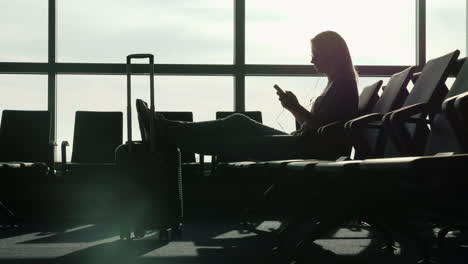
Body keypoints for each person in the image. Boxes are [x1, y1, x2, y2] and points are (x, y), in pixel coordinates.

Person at [140, 30, 359, 161]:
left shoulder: (344, 87)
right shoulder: (336, 85)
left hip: (310, 149)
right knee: (238, 122)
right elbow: (317, 127)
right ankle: (167, 130)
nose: (312, 61)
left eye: (315, 55)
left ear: (330, 55)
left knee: (240, 141)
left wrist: (296, 108)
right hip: (304, 142)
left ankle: (167, 132)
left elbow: (325, 133)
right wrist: (293, 107)